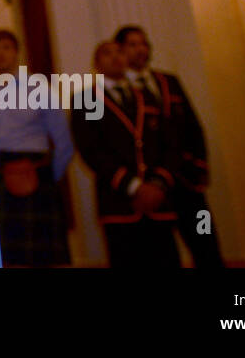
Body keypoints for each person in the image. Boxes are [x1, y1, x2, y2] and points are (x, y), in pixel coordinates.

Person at [114, 25, 222, 268]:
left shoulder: (169, 82)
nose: (141, 49)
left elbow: (194, 127)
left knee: (206, 242)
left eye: (144, 43)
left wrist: (200, 166)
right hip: (150, 186)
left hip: (187, 184)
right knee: (161, 254)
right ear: (120, 50)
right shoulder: (117, 90)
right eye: (133, 44)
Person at [0, 29, 73, 266]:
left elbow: (64, 141)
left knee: (42, 256)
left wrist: (48, 177)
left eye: (6, 47)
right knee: (3, 255)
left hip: (37, 173)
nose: (1, 53)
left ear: (16, 52)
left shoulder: (39, 88)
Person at [72, 40, 179, 267]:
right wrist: (134, 187)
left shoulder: (147, 96)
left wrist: (158, 183)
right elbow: (91, 150)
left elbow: (169, 143)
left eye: (120, 52)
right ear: (96, 63)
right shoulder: (87, 99)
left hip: (158, 201)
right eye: (107, 53)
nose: (116, 57)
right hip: (118, 202)